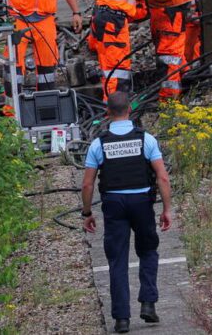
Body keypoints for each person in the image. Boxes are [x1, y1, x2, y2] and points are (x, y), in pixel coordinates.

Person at [82, 91, 172, 334]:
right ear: (130, 110)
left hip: (114, 204)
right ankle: (148, 304)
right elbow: (162, 177)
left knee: (117, 260)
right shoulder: (147, 140)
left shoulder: (98, 144)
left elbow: (88, 184)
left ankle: (122, 319)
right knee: (148, 251)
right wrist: (166, 209)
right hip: (142, 202)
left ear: (108, 113)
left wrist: (87, 212)